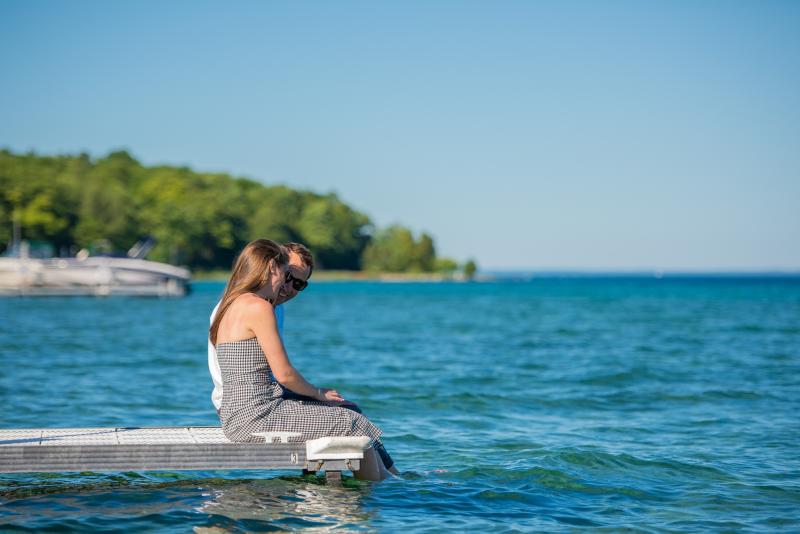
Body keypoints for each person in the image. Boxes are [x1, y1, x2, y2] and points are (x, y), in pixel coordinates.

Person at [209, 239, 394, 481]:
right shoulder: (258, 308)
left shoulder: (231, 304)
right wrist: (318, 393)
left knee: (348, 416)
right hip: (256, 415)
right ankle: (380, 496)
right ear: (271, 267)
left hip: (240, 414)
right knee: (351, 423)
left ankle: (388, 479)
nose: (287, 285)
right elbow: (284, 374)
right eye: (286, 274)